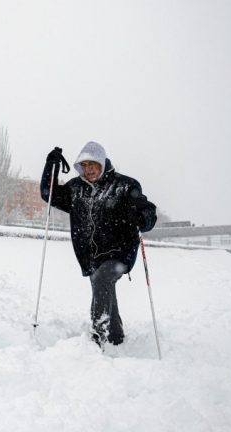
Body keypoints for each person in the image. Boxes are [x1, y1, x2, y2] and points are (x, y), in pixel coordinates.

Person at [41, 142, 157, 347]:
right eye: (84, 165)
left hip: (120, 251)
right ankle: (115, 334)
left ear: (103, 163)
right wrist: (51, 166)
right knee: (102, 284)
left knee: (102, 279)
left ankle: (98, 335)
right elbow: (48, 194)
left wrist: (143, 217)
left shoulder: (125, 186)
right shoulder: (76, 189)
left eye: (93, 164)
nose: (89, 169)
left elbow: (148, 211)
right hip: (91, 255)